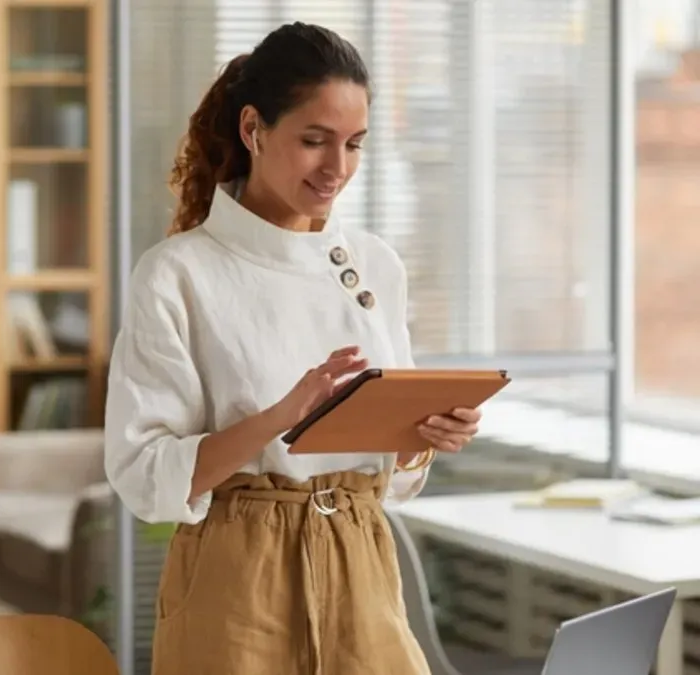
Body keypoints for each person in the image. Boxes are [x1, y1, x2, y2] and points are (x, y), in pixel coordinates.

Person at [104, 21, 482, 675]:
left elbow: (396, 476)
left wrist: (423, 435)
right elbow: (143, 473)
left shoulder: (375, 264)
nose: (337, 168)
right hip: (236, 576)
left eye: (354, 144)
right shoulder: (178, 274)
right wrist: (281, 416)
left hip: (362, 561)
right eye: (314, 141)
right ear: (253, 129)